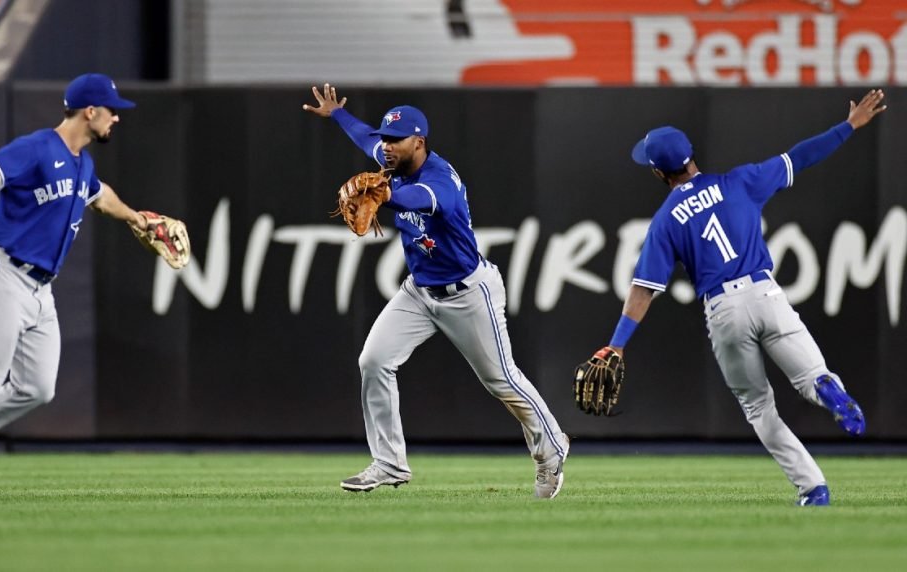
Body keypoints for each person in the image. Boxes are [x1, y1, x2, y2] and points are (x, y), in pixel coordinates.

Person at [604, 89, 885, 506]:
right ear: (691, 156)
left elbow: (644, 290)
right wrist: (848, 126)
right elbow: (800, 157)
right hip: (765, 291)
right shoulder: (740, 181)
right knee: (812, 376)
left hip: (724, 309)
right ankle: (827, 387)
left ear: (659, 173)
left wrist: (617, 344)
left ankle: (814, 489)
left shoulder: (666, 220)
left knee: (758, 407)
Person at [303, 84, 570, 498]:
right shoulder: (392, 155)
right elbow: (365, 136)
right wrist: (338, 114)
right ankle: (389, 463)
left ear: (419, 142)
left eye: (397, 140)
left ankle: (551, 451)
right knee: (374, 360)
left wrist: (387, 194)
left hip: (469, 293)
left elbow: (418, 200)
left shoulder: (439, 180)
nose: (387, 147)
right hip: (419, 292)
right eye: (387, 139)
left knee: (502, 380)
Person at [0, 73, 161, 509]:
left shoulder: (83, 163)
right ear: (90, 111)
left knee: (38, 388)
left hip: (41, 290)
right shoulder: (38, 148)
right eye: (112, 110)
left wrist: (136, 218)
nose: (117, 118)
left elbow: (101, 198)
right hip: (2, 274)